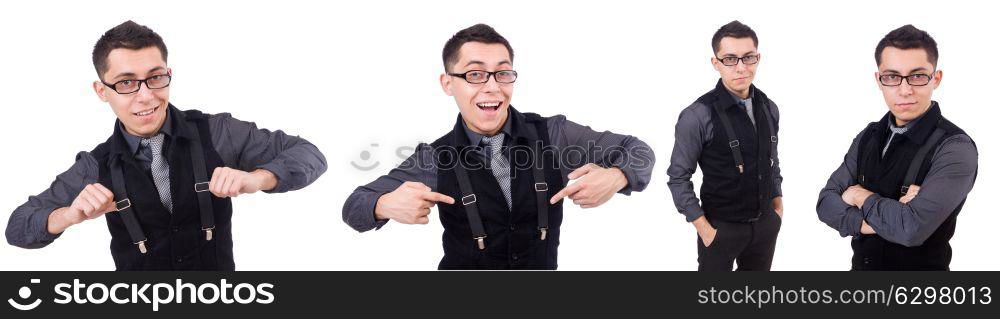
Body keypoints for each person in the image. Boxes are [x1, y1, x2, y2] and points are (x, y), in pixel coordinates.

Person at [5, 21, 328, 270]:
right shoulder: (95, 165)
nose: (146, 95)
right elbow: (17, 229)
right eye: (127, 83)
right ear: (102, 91)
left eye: (155, 77)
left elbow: (310, 155)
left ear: (168, 74)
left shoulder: (217, 132)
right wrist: (68, 215)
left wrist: (258, 178)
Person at [342, 24, 655, 270]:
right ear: (448, 84)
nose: (492, 86)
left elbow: (638, 149)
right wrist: (382, 204)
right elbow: (353, 206)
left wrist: (618, 176)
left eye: (503, 73)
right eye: (475, 74)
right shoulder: (434, 158)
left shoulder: (554, 134)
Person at [816, 25, 978, 270]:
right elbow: (826, 203)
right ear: (879, 81)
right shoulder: (867, 137)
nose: (905, 90)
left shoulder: (955, 148)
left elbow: (910, 230)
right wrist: (890, 217)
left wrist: (859, 195)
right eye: (892, 77)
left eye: (917, 76)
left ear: (936, 78)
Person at [667, 21, 784, 271]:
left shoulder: (769, 107)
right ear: (716, 63)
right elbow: (678, 178)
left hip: (765, 226)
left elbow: (772, 161)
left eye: (748, 57)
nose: (741, 67)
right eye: (730, 59)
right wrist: (705, 229)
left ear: (758, 58)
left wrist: (777, 207)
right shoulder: (697, 115)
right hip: (720, 230)